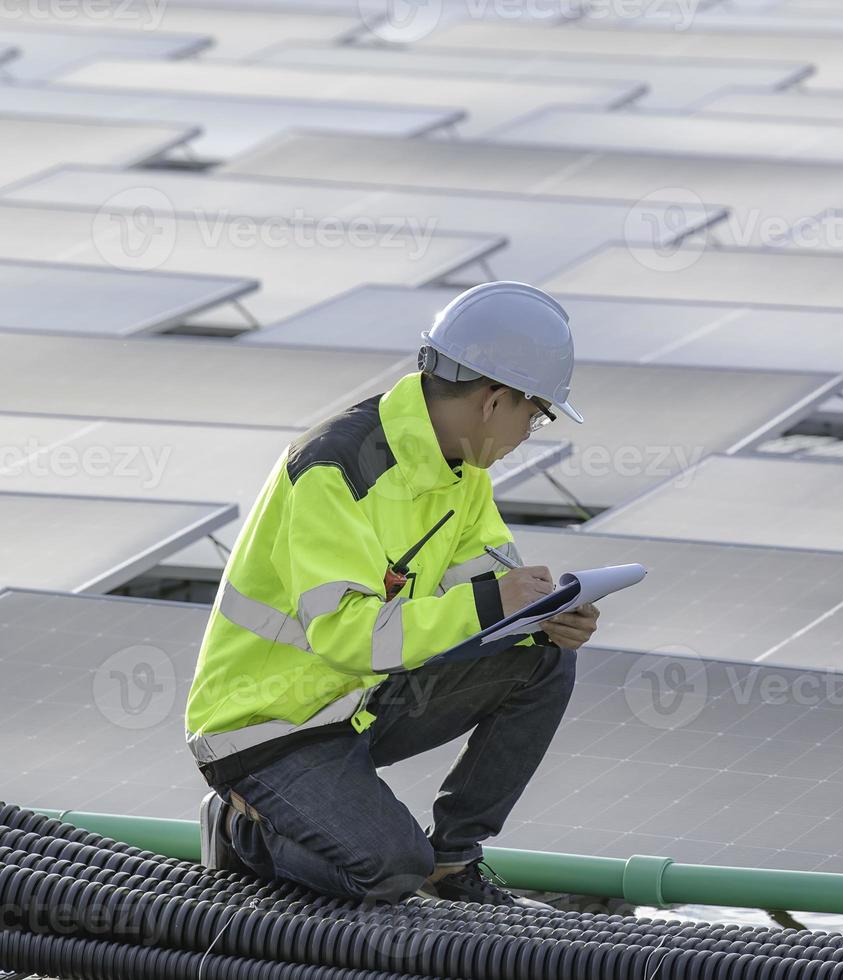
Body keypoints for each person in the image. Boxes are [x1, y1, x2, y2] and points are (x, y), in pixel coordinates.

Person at [184, 281, 598, 908]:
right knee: (390, 869)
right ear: (494, 400)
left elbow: (483, 591)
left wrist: (544, 618)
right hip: (266, 727)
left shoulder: (461, 471)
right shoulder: (334, 469)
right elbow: (348, 634)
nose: (531, 431)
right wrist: (497, 603)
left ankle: (454, 860)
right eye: (536, 413)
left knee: (542, 659)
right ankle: (244, 829)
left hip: (358, 701)